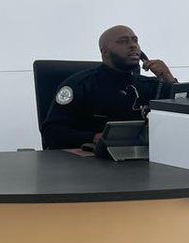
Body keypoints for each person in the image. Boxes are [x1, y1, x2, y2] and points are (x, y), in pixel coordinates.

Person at [42, 24, 176, 149]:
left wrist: (169, 78)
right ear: (104, 52)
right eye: (123, 41)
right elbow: (51, 132)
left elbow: (185, 115)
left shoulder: (150, 85)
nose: (133, 46)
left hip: (142, 158)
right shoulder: (80, 85)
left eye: (135, 40)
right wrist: (93, 138)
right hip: (93, 163)